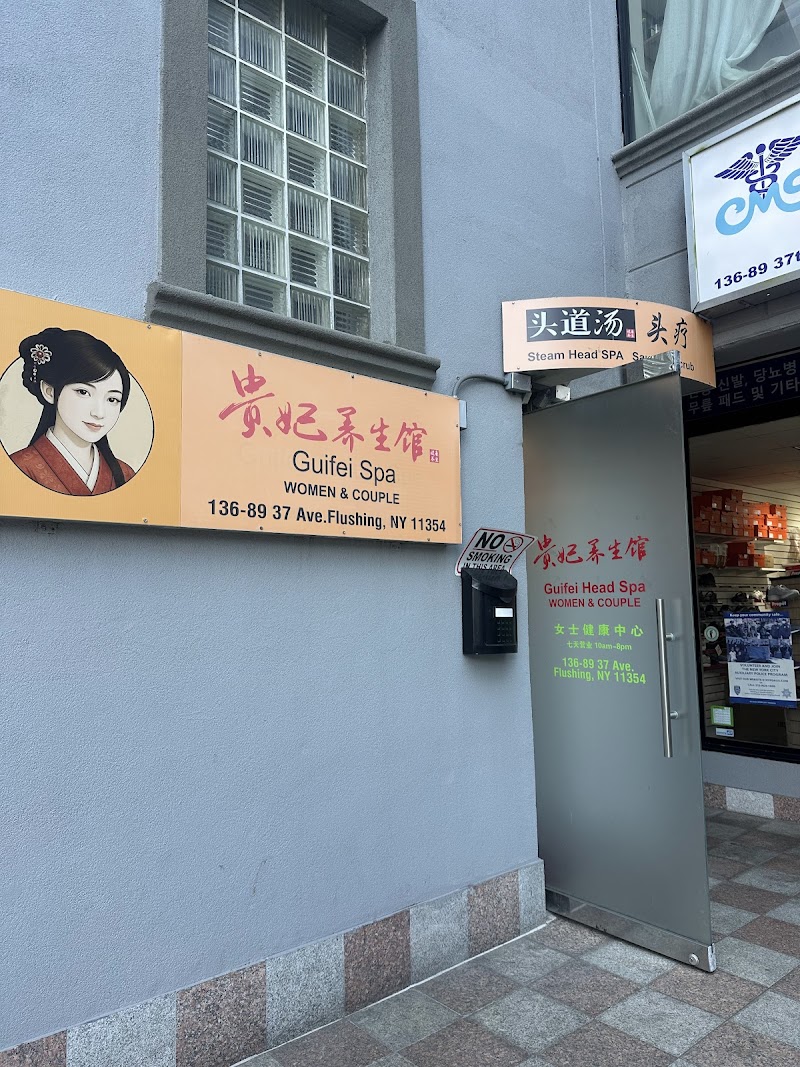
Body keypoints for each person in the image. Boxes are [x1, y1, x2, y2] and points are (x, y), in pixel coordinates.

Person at [9, 327, 135, 496]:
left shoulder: (125, 474)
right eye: (83, 392)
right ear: (49, 391)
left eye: (112, 399)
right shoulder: (20, 467)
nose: (99, 413)